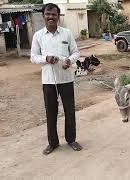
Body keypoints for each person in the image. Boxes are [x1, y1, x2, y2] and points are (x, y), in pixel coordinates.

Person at [30, 3, 82, 155]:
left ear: (58, 17)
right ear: (43, 16)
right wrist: (46, 58)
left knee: (69, 111)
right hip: (48, 81)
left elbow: (76, 52)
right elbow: (33, 57)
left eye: (54, 14)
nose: (51, 17)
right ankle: (53, 143)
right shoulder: (38, 36)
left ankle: (71, 140)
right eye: (48, 14)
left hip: (66, 79)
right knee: (51, 112)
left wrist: (69, 61)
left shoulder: (67, 33)